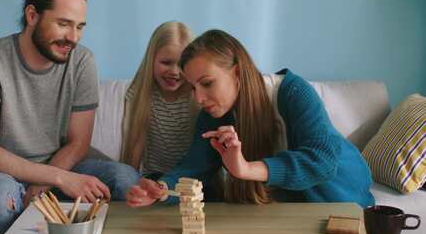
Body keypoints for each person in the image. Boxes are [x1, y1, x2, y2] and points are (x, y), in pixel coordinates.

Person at [0, 0, 139, 234]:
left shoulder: (82, 61)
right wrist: (59, 179)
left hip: (58, 162)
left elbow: (79, 142)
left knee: (125, 178)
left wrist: (44, 185)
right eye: (64, 24)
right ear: (32, 15)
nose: (73, 37)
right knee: (0, 198)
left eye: (80, 27)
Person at [126, 29, 375, 208]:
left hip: (340, 198)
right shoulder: (212, 115)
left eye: (207, 83)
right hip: (285, 206)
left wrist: (245, 169)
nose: (199, 98)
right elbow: (194, 169)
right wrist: (161, 190)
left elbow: (322, 161)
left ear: (236, 73)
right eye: (193, 87)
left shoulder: (293, 91)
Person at [121, 21, 199, 180]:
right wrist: (130, 182)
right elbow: (136, 143)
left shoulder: (197, 94)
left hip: (195, 177)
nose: (175, 72)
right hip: (156, 177)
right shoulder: (141, 92)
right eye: (166, 62)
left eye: (182, 64)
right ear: (152, 59)